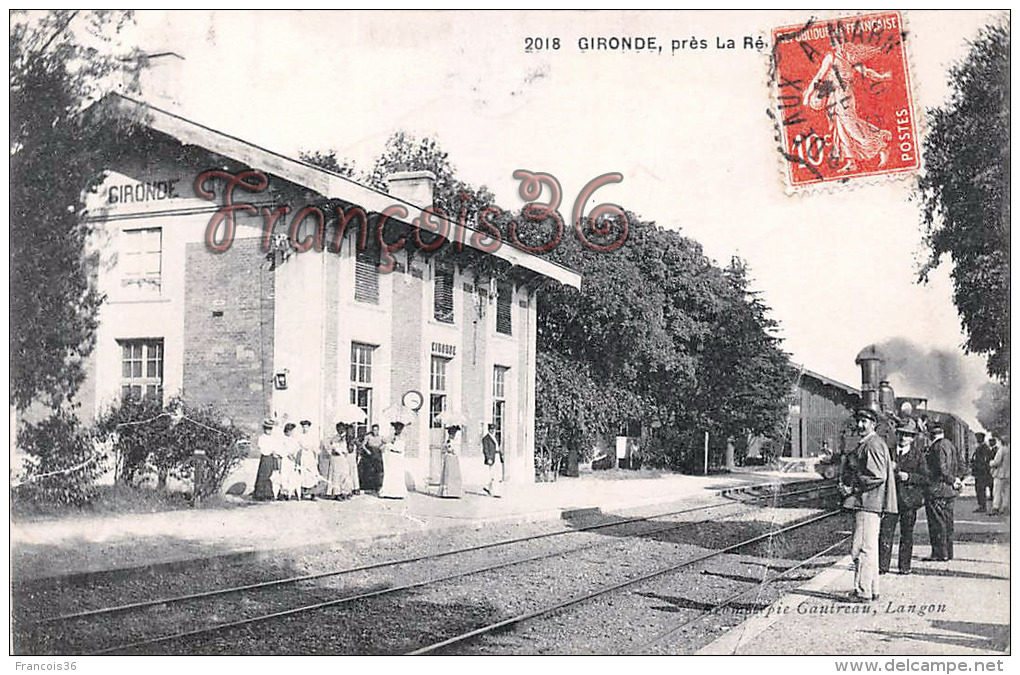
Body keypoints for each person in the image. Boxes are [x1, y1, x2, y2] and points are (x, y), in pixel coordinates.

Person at [838, 408, 897, 602]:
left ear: (873, 424)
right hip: (870, 504)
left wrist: (852, 487)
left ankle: (862, 592)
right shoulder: (875, 443)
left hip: (867, 503)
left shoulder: (872, 444)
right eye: (859, 421)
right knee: (870, 548)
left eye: (865, 421)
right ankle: (872, 589)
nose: (860, 425)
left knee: (860, 548)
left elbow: (877, 476)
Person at [879, 419, 927, 575]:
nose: (903, 438)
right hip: (890, 500)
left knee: (907, 535)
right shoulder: (888, 451)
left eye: (907, 435)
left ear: (912, 438)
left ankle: (904, 567)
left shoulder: (918, 455)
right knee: (886, 533)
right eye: (901, 434)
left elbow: (926, 478)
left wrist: (909, 477)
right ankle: (882, 566)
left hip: (909, 501)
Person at [923, 421, 961, 561]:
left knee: (937, 523)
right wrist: (956, 480)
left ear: (930, 433)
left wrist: (951, 480)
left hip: (937, 490)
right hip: (948, 491)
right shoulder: (950, 444)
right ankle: (948, 553)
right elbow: (957, 465)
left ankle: (939, 554)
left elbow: (941, 469)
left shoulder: (937, 447)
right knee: (947, 522)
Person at [321, 422, 353, 500]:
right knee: (335, 476)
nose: (340, 430)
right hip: (335, 459)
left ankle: (345, 491)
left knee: (345, 475)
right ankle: (336, 493)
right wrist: (334, 447)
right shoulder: (334, 438)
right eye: (338, 429)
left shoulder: (347, 438)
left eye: (342, 429)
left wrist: (347, 442)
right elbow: (329, 447)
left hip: (343, 459)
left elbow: (350, 449)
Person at [379, 421, 408, 499]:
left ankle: (398, 493)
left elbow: (400, 448)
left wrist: (390, 446)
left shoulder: (403, 437)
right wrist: (390, 443)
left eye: (399, 429)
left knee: (397, 475)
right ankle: (388, 492)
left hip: (398, 458)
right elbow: (389, 443)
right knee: (390, 473)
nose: (397, 430)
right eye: (396, 428)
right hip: (392, 458)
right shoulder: (393, 437)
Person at [253, 418, 280, 501]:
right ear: (264, 429)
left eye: (270, 429)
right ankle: (260, 494)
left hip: (271, 458)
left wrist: (275, 452)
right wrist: (269, 451)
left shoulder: (273, 438)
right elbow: (262, 448)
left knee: (270, 475)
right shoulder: (262, 438)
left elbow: (275, 447)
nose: (269, 431)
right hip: (265, 458)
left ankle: (269, 493)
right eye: (267, 429)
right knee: (263, 475)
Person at [276, 423, 302, 501]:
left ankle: (290, 493)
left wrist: (295, 456)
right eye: (291, 431)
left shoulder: (294, 440)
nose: (292, 433)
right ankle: (284, 493)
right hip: (285, 460)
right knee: (284, 476)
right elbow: (281, 449)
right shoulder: (282, 439)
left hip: (292, 460)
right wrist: (287, 454)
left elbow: (297, 448)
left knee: (292, 476)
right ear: (287, 431)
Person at [296, 420, 320, 500]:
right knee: (303, 473)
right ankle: (303, 492)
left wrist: (316, 458)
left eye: (306, 427)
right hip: (303, 456)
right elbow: (298, 447)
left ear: (309, 427)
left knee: (312, 473)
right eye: (303, 427)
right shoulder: (299, 436)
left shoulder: (312, 437)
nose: (305, 429)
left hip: (310, 456)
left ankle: (313, 493)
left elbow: (315, 448)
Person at [438, 425, 464, 498]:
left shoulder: (454, 441)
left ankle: (455, 492)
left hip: (454, 459)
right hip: (449, 458)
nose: (453, 436)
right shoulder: (448, 441)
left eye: (454, 434)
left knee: (455, 475)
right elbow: (447, 449)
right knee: (448, 474)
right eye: (452, 434)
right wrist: (451, 450)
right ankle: (447, 492)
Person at [971, 433, 994, 513]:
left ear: (981, 439)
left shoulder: (983, 448)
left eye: (978, 438)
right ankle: (981, 505)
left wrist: (976, 466)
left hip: (982, 473)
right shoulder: (982, 447)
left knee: (980, 489)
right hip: (981, 472)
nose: (977, 440)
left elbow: (984, 461)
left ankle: (982, 506)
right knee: (979, 489)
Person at [988, 438, 1010, 516]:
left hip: (1000, 474)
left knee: (997, 491)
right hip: (1008, 475)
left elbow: (996, 462)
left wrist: (990, 463)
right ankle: (1005, 507)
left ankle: (996, 507)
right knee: (1006, 492)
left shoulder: (1002, 450)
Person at [359, 424, 384, 492]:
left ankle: (377, 486)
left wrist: (382, 447)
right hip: (370, 454)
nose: (375, 431)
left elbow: (385, 443)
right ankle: (368, 487)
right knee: (369, 470)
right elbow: (363, 445)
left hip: (377, 454)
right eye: (373, 430)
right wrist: (367, 451)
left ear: (378, 430)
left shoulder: (381, 437)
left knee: (378, 470)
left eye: (376, 430)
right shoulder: (368, 437)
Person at [482, 423, 503, 497]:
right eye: (491, 429)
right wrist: (488, 458)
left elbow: (497, 447)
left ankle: (487, 487)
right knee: (494, 475)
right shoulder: (486, 439)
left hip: (497, 456)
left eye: (493, 429)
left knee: (495, 474)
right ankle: (495, 492)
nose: (492, 431)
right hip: (492, 457)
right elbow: (485, 449)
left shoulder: (495, 437)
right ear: (488, 430)